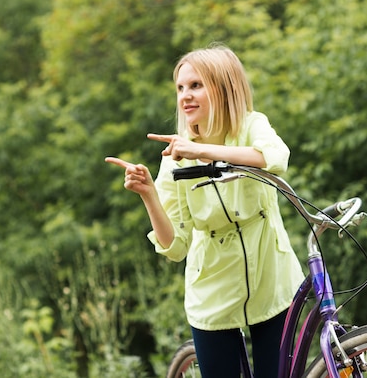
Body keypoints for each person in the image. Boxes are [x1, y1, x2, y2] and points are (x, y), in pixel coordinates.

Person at [105, 44, 305, 377]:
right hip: (212, 290)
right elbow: (175, 246)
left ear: (223, 87)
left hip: (273, 281)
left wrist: (200, 150)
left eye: (196, 85)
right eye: (181, 88)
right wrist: (149, 194)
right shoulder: (174, 156)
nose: (185, 96)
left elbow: (276, 158)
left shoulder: (251, 126)